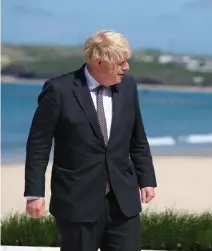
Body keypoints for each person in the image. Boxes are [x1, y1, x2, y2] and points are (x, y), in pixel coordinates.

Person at [24, 30, 157, 251]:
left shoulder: (128, 86)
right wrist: (34, 193)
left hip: (123, 199)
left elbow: (137, 137)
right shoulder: (59, 90)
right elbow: (39, 144)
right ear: (99, 62)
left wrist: (147, 179)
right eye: (120, 62)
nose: (126, 67)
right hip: (77, 200)